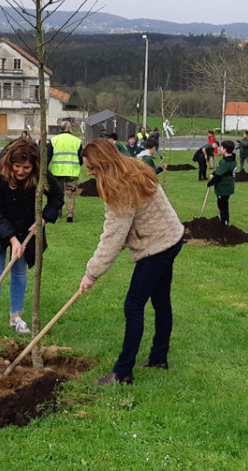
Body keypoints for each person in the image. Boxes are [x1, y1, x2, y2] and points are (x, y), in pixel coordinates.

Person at [78, 139, 185, 385]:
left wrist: (91, 273)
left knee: (133, 305)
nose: (89, 172)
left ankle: (123, 372)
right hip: (172, 237)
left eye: (92, 167)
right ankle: (159, 358)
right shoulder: (133, 167)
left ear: (103, 163)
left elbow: (113, 237)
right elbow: (130, 223)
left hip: (158, 246)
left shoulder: (120, 186)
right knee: (160, 301)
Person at [0, 139, 64, 344]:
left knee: (20, 268)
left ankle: (16, 317)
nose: (21, 171)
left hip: (25, 222)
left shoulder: (42, 175)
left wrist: (43, 219)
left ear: (34, 166)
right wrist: (13, 240)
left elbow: (57, 197)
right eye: (17, 167)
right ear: (10, 164)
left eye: (26, 167)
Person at [49, 120, 83, 223]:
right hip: (72, 172)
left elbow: (48, 156)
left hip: (57, 172)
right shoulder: (77, 141)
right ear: (69, 128)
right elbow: (81, 157)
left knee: (58, 193)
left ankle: (58, 212)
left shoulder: (54, 140)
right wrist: (78, 165)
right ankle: (70, 214)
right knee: (71, 194)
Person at [208, 140, 237, 225]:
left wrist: (210, 183)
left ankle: (224, 222)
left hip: (223, 187)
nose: (220, 149)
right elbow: (220, 171)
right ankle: (224, 221)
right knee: (223, 204)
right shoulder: (230, 159)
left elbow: (219, 176)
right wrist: (213, 173)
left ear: (225, 149)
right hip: (227, 186)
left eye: (222, 147)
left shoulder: (226, 162)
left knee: (222, 205)